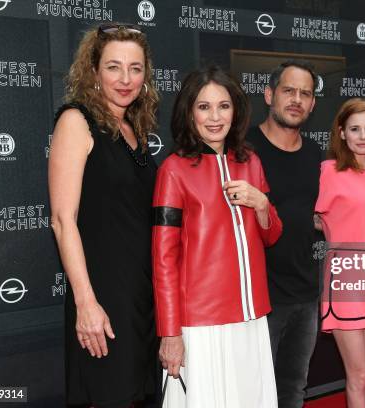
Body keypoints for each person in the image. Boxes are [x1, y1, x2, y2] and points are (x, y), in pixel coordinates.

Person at [152, 66, 282, 408]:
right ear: (189, 112)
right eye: (204, 106)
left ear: (235, 110)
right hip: (201, 323)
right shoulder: (174, 170)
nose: (214, 117)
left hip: (251, 316)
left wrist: (262, 204)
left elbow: (271, 236)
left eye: (223, 106)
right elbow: (164, 260)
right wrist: (171, 332)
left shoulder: (250, 161)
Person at [49, 23, 159, 408]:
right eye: (113, 67)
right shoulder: (76, 121)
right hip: (103, 297)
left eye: (135, 68)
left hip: (144, 297)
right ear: (93, 70)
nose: (125, 79)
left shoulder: (135, 129)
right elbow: (63, 221)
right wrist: (86, 303)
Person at [246, 60, 321, 408]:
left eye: (305, 93)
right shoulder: (242, 150)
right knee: (253, 392)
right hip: (257, 298)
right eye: (289, 91)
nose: (297, 100)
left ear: (313, 104)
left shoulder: (314, 154)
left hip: (305, 295)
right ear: (269, 94)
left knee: (293, 389)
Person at [315, 98, 365, 408]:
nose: (363, 136)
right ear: (342, 133)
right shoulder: (329, 171)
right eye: (355, 129)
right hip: (345, 276)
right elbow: (312, 216)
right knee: (358, 373)